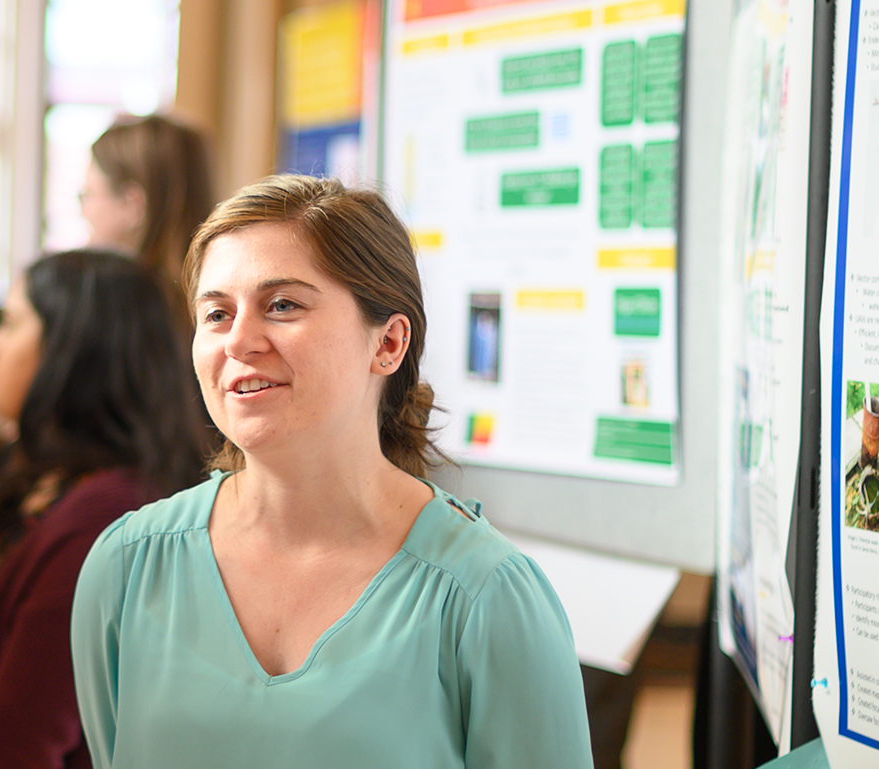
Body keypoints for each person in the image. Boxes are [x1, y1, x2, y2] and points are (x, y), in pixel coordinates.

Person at [70, 175, 592, 768]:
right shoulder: (127, 566)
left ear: (389, 344)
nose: (239, 341)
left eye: (282, 305)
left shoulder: (485, 597)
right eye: (216, 314)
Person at [0, 250, 212, 769]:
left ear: (71, 349)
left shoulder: (106, 517)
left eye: (9, 324)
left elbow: (18, 738)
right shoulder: (58, 487)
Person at [79, 115, 213, 293]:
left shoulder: (113, 306)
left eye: (88, 194)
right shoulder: (215, 299)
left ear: (131, 205)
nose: (83, 210)